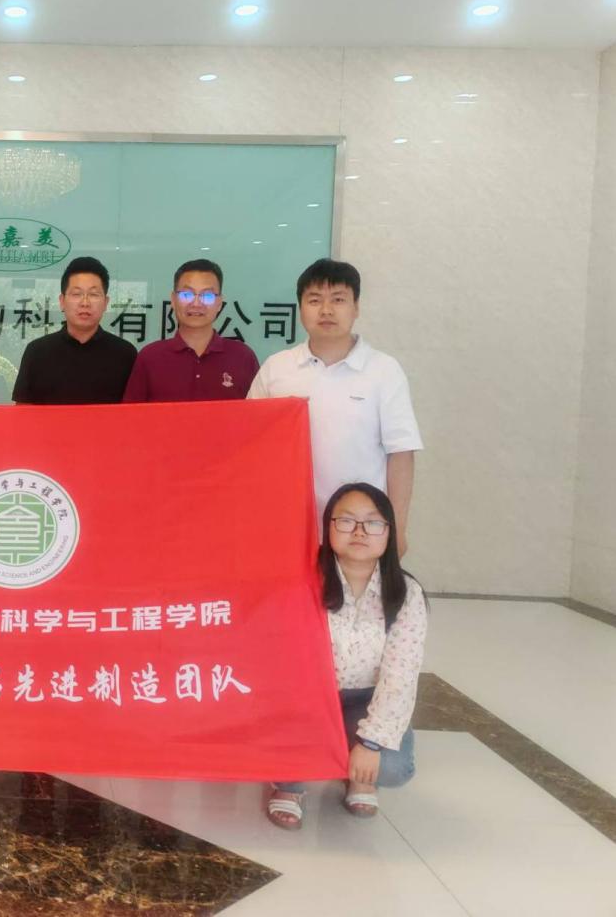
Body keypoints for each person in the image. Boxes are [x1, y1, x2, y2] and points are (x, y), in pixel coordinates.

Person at [267, 482, 427, 830]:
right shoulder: (301, 581)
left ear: (389, 532)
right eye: (346, 520)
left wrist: (370, 743)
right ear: (328, 527)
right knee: (275, 748)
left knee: (395, 768)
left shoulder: (406, 593)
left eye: (373, 522)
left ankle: (358, 775)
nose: (359, 531)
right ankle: (289, 785)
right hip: (306, 701)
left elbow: (400, 676)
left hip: (365, 700)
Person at [248, 259, 422, 554]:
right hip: (286, 527)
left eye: (338, 300)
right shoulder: (277, 368)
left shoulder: (383, 370)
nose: (326, 310)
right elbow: (250, 445)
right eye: (314, 300)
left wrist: (397, 528)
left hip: (360, 531)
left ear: (356, 307)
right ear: (300, 307)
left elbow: (401, 453)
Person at [123, 259, 259, 402]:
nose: (196, 304)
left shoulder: (243, 357)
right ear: (173, 300)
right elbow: (130, 413)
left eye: (207, 296)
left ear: (219, 303)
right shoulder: (150, 357)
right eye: (186, 295)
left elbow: (259, 412)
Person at [12, 256, 137, 404]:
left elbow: (134, 412)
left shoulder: (126, 354)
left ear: (105, 302)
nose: (85, 303)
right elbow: (23, 411)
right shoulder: (37, 352)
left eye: (93, 294)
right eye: (77, 294)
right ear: (62, 301)